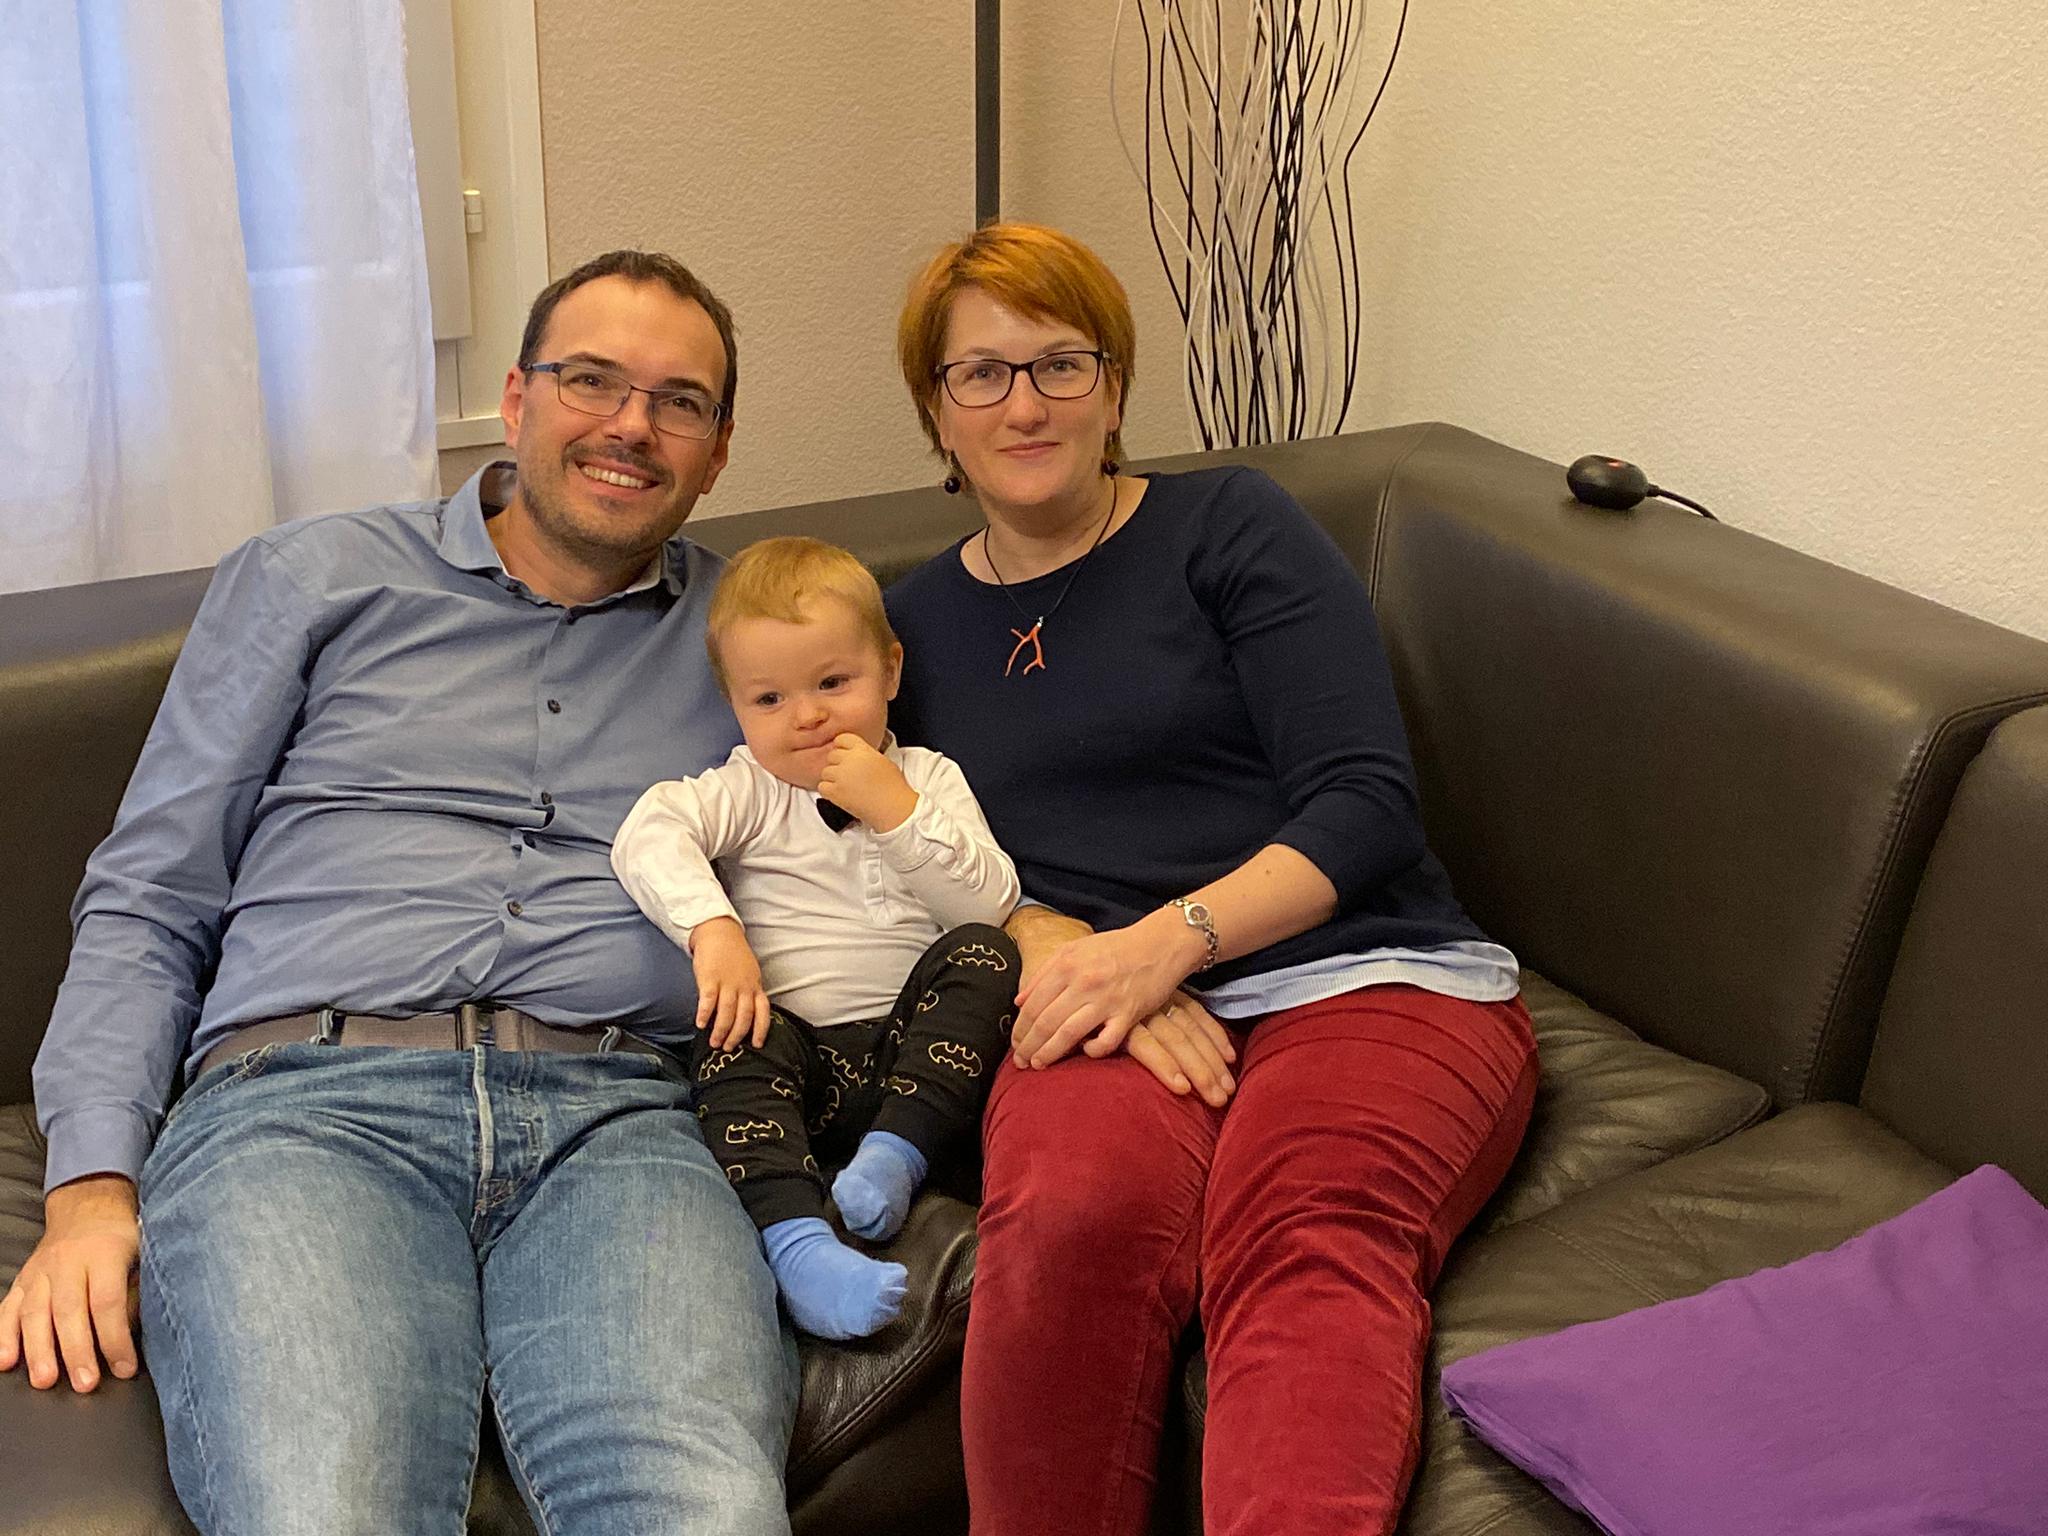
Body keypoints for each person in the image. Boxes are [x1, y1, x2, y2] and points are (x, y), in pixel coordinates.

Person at [1, 251, 799, 1535]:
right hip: (305, 1108)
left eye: (679, 402)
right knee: (324, 1511)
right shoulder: (312, 578)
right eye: (591, 380)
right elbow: (151, 892)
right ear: (517, 399)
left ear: (716, 454)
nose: (630, 425)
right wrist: (92, 1185)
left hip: (621, 1125)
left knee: (702, 1510)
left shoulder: (755, 635)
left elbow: (889, 833)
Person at [884, 222, 1542, 1536]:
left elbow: (1364, 804)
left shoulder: (1227, 524)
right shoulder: (906, 628)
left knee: (1305, 1230)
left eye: (1061, 363)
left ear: (1114, 387)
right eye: (983, 374)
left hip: (1358, 970)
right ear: (935, 414)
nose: (1026, 403)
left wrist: (1165, 943)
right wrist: (1064, 941)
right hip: (1102, 999)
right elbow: (896, 855)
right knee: (1063, 1226)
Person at [611, 536, 1020, 1342]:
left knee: (988, 955)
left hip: (920, 1065)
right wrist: (713, 929)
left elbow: (988, 902)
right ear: (735, 706)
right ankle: (800, 1249)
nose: (807, 716)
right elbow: (648, 831)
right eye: (769, 699)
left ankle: (894, 1160)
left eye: (834, 683)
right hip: (796, 1063)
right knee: (727, 1039)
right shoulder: (748, 789)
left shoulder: (928, 778)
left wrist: (895, 810)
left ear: (890, 672)